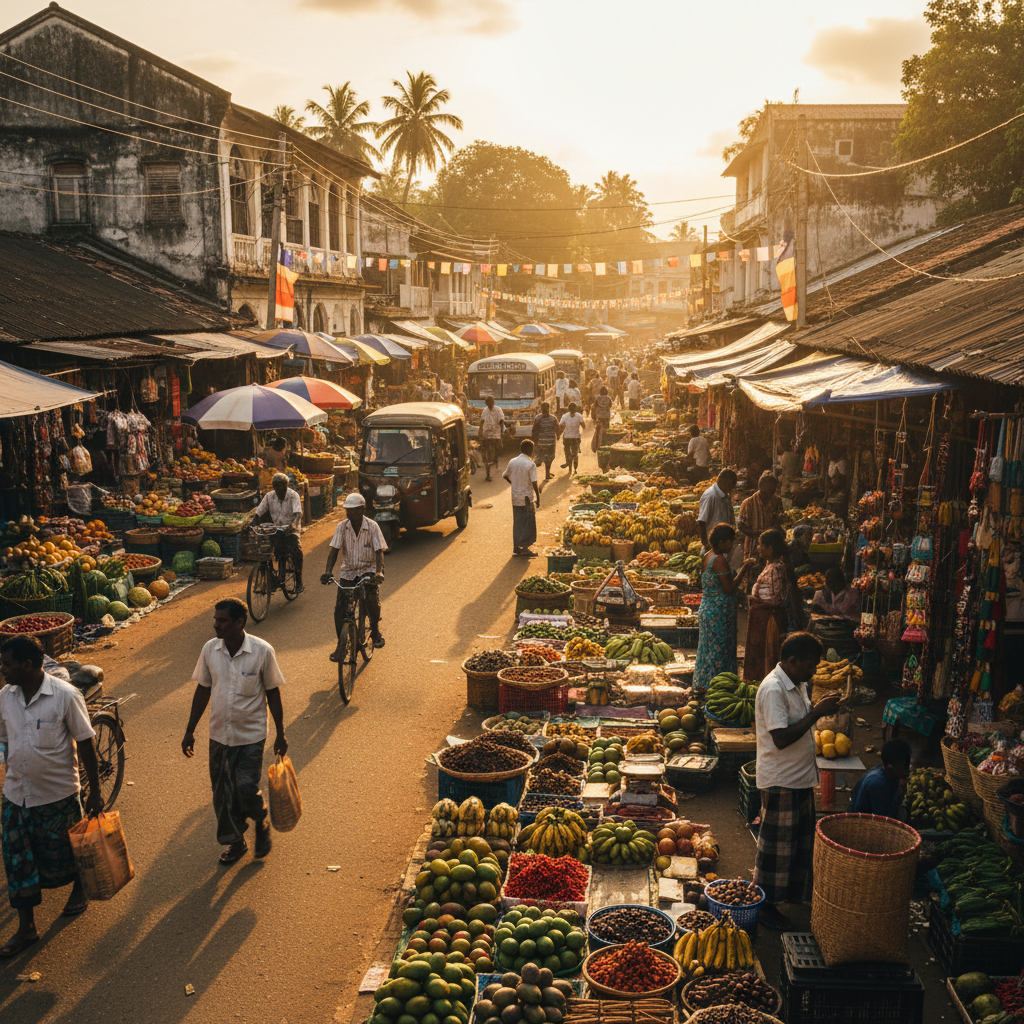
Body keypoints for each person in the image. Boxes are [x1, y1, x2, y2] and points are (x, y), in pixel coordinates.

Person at [0, 636, 103, 957]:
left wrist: (95, 792)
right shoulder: (5, 697)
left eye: (7, 664)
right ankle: (27, 928)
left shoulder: (65, 696)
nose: (2, 670)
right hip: (15, 795)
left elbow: (85, 743)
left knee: (66, 853)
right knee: (17, 861)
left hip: (58, 795)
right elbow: (4, 738)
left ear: (27, 665)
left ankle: (80, 886)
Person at [182, 599, 288, 866]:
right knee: (222, 794)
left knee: (245, 788)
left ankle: (260, 818)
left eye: (222, 621)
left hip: (251, 735)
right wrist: (190, 730)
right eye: (215, 620)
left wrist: (280, 733)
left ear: (240, 623)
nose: (216, 625)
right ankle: (236, 841)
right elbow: (203, 688)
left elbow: (273, 693)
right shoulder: (210, 649)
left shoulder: (262, 652)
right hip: (219, 734)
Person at [753, 631, 841, 930]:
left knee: (797, 846)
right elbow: (780, 738)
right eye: (810, 665)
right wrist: (817, 714)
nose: (814, 670)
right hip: (782, 780)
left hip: (800, 778)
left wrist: (816, 708)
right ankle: (765, 906)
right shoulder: (773, 689)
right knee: (776, 850)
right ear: (792, 661)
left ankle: (788, 897)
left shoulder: (798, 683)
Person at [322, 493, 386, 653]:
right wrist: (328, 572)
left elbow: (379, 552)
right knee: (340, 610)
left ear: (362, 510)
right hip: (348, 571)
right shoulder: (342, 527)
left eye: (354, 510)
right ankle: (341, 645)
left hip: (368, 570)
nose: (350, 513)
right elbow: (334, 551)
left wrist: (379, 572)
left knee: (371, 601)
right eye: (348, 510)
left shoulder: (372, 526)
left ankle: (375, 630)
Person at [694, 525, 755, 691]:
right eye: (730, 542)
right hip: (718, 613)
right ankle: (717, 689)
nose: (732, 545)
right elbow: (729, 588)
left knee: (708, 652)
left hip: (709, 609)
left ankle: (705, 686)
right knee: (719, 653)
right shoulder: (719, 559)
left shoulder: (707, 555)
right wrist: (745, 568)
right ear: (721, 542)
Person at [745, 529, 792, 681]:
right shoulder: (771, 565)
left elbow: (776, 600)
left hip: (769, 617)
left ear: (770, 548)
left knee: (768, 655)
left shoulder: (776, 568)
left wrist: (755, 600)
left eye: (760, 545)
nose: (758, 548)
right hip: (763, 616)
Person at [254, 472, 304, 591]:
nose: (279, 488)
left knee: (296, 550)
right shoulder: (269, 496)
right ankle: (276, 578)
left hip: (291, 529)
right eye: (276, 485)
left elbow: (298, 514)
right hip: (276, 529)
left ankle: (299, 580)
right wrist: (253, 522)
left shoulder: (293, 496)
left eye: (281, 485)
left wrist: (292, 525)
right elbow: (259, 511)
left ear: (286, 485)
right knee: (275, 551)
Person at [848, 739, 911, 817]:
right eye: (903, 768)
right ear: (889, 766)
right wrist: (900, 794)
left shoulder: (890, 773)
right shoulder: (877, 784)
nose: (907, 773)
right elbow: (885, 818)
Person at [503, 439, 541, 557]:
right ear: (531, 450)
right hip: (526, 499)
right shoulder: (530, 464)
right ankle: (524, 548)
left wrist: (514, 484)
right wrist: (538, 497)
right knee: (528, 524)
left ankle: (517, 547)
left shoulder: (513, 461)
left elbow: (505, 475)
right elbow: (534, 482)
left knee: (518, 522)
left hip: (515, 498)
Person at [737, 472, 784, 563]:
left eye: (774, 489)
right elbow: (742, 526)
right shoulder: (748, 503)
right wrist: (760, 534)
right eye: (770, 489)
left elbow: (779, 521)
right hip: (753, 547)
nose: (773, 492)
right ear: (761, 487)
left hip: (772, 548)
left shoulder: (777, 501)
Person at [697, 469, 737, 551]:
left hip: (723, 543)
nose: (732, 488)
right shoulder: (711, 496)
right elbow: (702, 521)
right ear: (724, 481)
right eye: (731, 484)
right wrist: (706, 543)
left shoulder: (725, 495)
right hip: (713, 544)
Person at [479, 395, 507, 482]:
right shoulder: (484, 411)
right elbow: (481, 422)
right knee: (485, 453)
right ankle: (488, 473)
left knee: (499, 448)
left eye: (490, 403)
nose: (489, 405)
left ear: (493, 402)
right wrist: (480, 433)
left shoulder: (498, 410)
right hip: (486, 434)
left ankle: (495, 459)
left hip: (496, 433)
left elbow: (501, 422)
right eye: (488, 403)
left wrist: (501, 433)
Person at [531, 401, 560, 481]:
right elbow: (557, 428)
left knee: (541, 459)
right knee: (547, 459)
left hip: (543, 442)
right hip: (549, 442)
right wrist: (558, 435)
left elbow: (534, 430)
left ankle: (533, 473)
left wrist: (534, 441)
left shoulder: (538, 418)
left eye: (544, 408)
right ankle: (546, 474)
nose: (544, 409)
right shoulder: (553, 418)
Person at [559, 402, 585, 475]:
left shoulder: (565, 416)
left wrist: (559, 434)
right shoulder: (579, 416)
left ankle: (569, 464)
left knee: (568, 452)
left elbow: (561, 426)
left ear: (568, 409)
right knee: (574, 453)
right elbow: (583, 425)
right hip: (575, 438)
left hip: (567, 437)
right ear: (576, 409)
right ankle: (575, 469)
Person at [591, 386, 613, 451]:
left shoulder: (597, 398)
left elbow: (595, 406)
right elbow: (610, 405)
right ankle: (605, 442)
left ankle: (598, 443)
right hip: (606, 416)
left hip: (600, 416)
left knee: (599, 430)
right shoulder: (608, 398)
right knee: (606, 429)